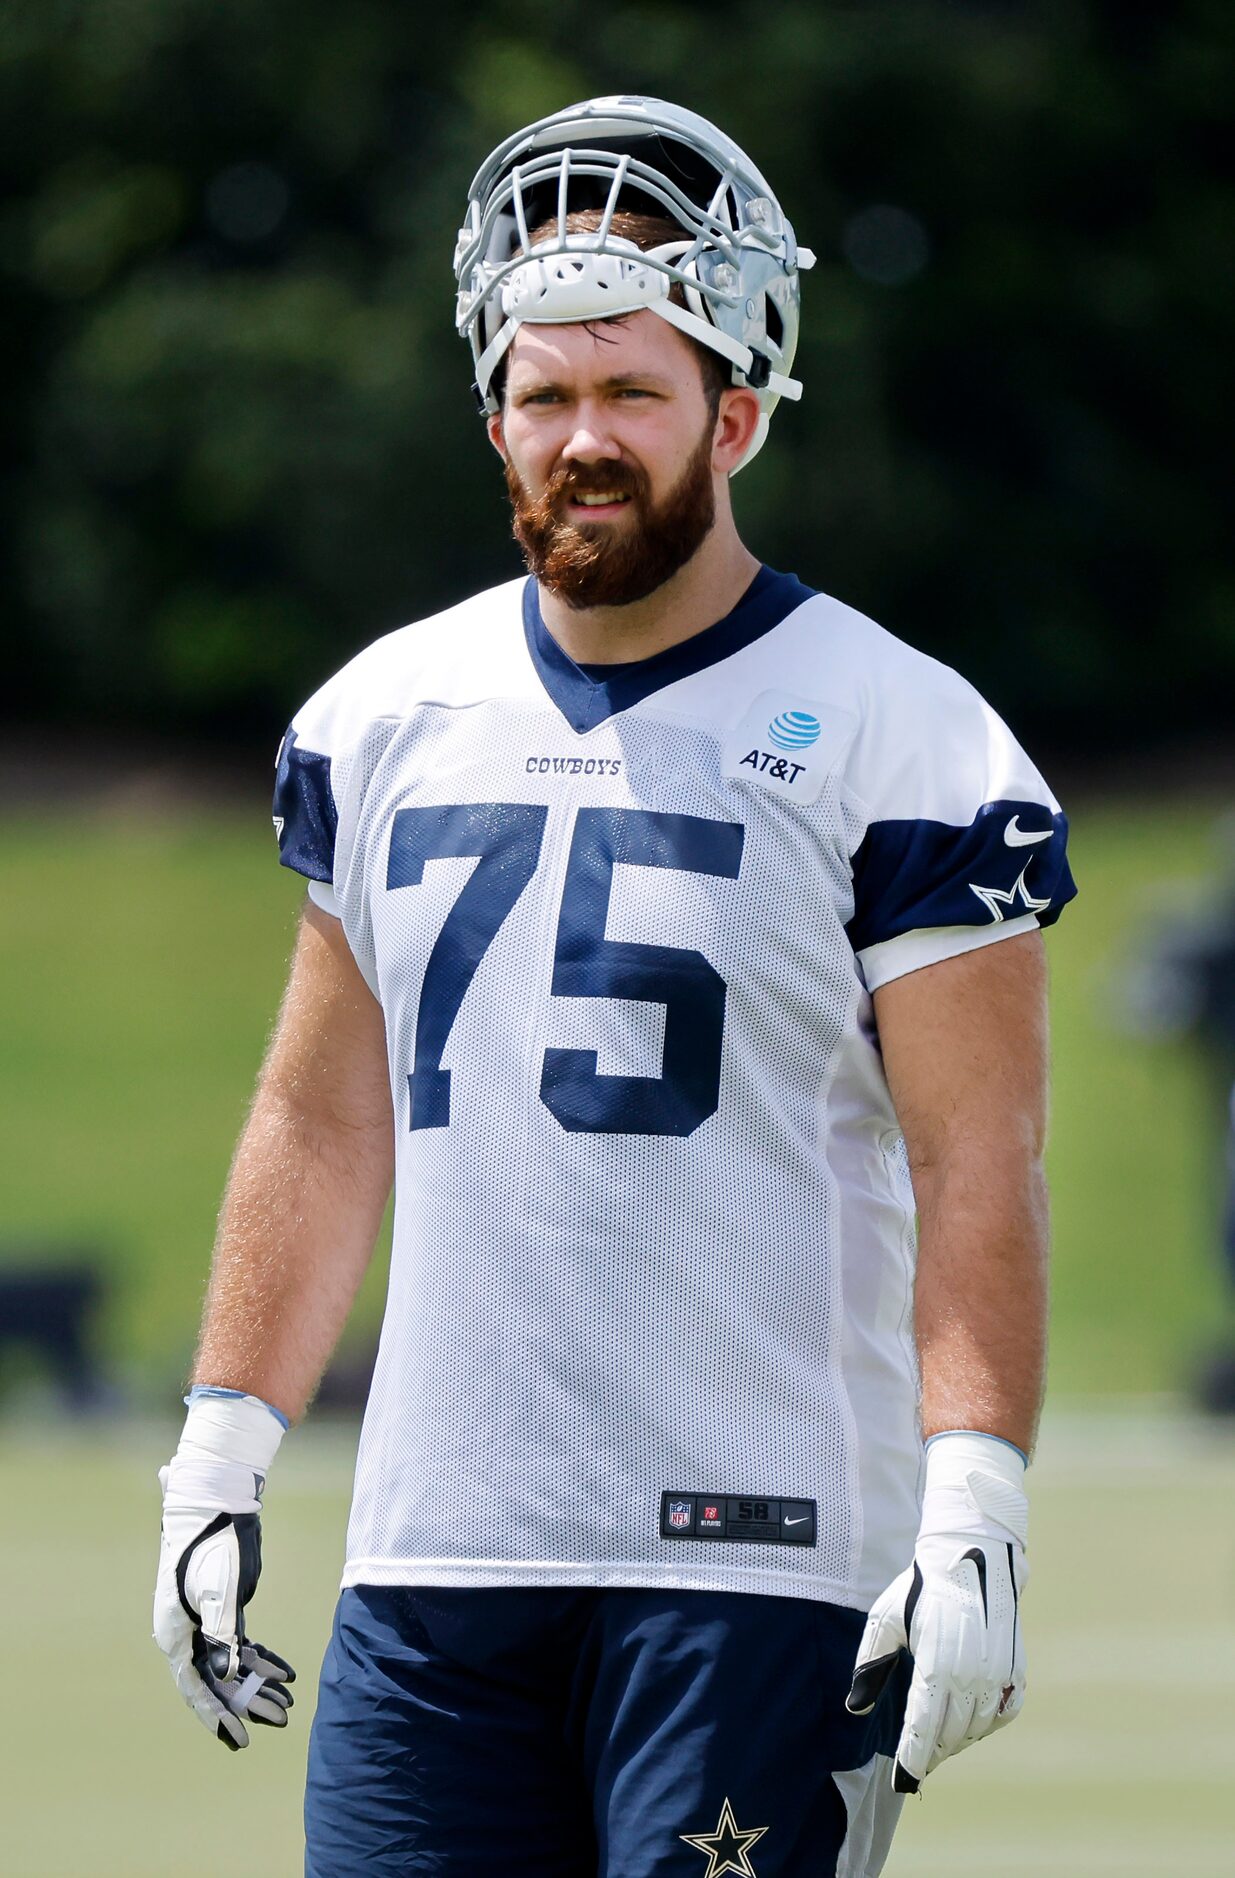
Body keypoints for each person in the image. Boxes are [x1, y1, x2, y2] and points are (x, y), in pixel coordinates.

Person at [153, 96, 1076, 1877]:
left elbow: (984, 1159)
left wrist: (977, 1492)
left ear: (734, 414)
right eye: (546, 394)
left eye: (633, 394)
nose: (585, 439)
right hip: (437, 1559)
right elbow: (321, 1112)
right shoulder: (381, 716)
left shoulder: (910, 732)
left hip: (757, 1566)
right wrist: (224, 1444)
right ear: (492, 416)